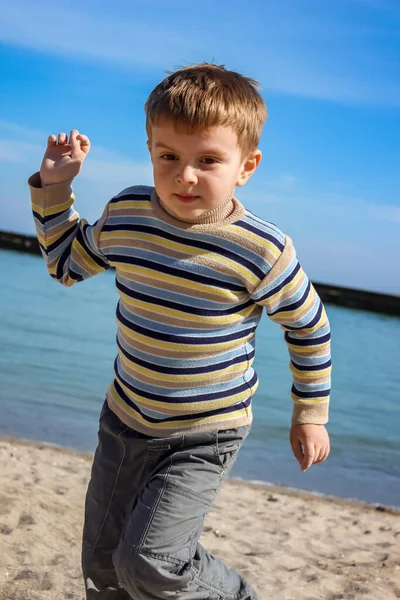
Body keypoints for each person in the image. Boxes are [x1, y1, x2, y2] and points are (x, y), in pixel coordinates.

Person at [28, 63, 331, 600]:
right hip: (124, 420)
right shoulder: (128, 214)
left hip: (204, 434)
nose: (184, 176)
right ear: (150, 150)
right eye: (169, 156)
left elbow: (309, 329)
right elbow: (66, 263)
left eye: (208, 160)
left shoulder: (262, 250)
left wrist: (310, 416)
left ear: (247, 166)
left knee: (151, 561)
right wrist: (56, 186)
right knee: (103, 567)